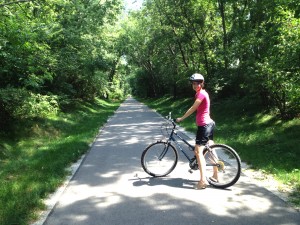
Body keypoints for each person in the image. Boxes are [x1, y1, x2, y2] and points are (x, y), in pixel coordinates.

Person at [176, 73, 217, 189]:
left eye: (198, 83)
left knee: (198, 152)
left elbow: (193, 108)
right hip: (208, 124)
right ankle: (215, 175)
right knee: (210, 150)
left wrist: (181, 118)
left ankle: (203, 181)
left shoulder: (201, 94)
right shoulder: (200, 93)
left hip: (204, 126)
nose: (195, 85)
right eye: (193, 83)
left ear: (202, 83)